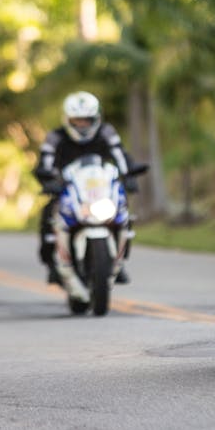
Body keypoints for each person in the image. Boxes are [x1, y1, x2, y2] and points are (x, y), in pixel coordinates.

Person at [33, 91, 135, 285]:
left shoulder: (106, 132)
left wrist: (129, 175)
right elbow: (45, 162)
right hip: (67, 190)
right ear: (68, 119)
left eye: (87, 120)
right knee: (48, 214)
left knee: (123, 212)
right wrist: (48, 180)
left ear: (96, 119)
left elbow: (121, 156)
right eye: (77, 121)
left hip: (100, 190)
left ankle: (117, 262)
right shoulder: (56, 137)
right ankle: (52, 264)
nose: (82, 125)